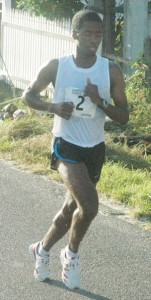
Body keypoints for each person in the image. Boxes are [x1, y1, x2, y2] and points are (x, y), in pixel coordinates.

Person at [22, 9, 129, 289]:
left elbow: (123, 116)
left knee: (71, 210)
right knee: (90, 206)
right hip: (66, 145)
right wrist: (52, 107)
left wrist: (100, 101)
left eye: (98, 34)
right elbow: (28, 95)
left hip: (94, 149)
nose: (94, 39)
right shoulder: (57, 66)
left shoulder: (110, 70)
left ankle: (41, 249)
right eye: (87, 33)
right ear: (74, 35)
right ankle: (70, 255)